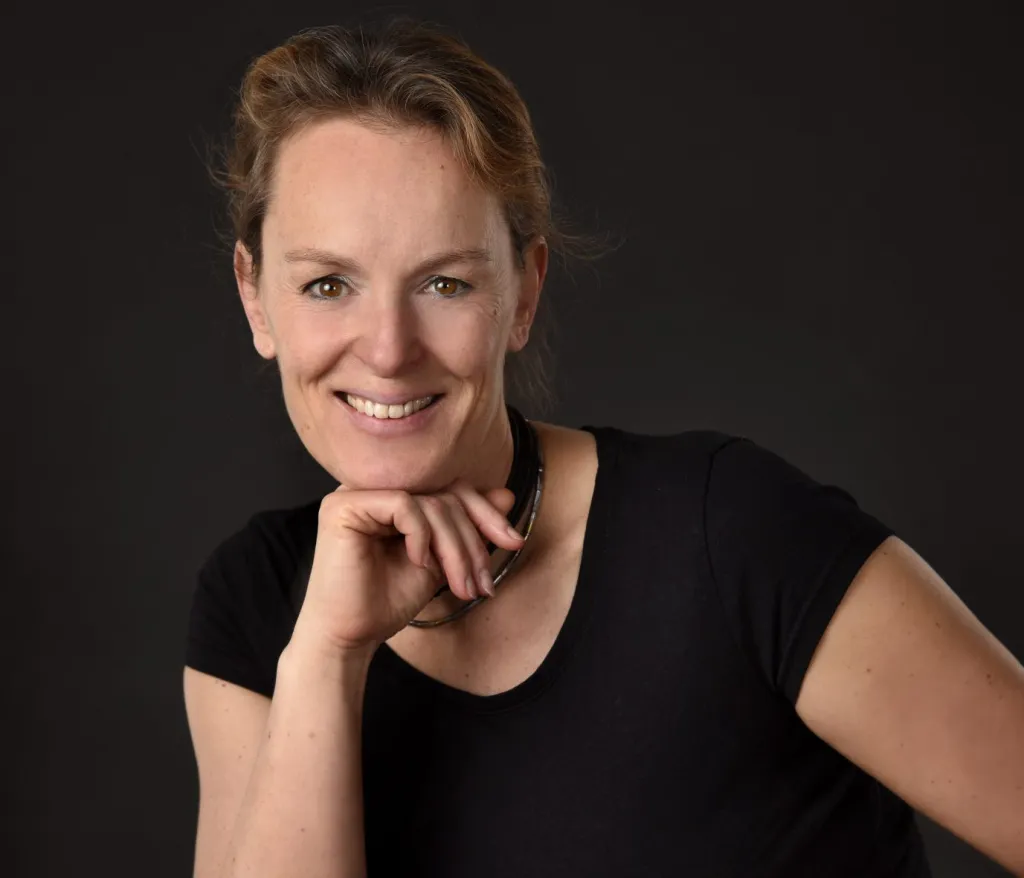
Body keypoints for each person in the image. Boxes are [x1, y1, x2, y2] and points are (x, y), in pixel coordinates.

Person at [182, 18, 986, 878]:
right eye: (327, 284)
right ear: (256, 298)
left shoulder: (734, 537)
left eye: (445, 283)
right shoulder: (257, 601)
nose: (387, 349)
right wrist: (327, 656)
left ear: (523, 294)